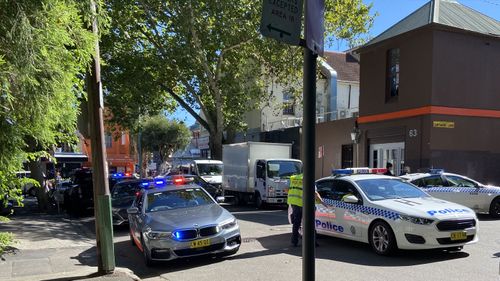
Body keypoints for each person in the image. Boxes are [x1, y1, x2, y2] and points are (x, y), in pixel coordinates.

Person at [287, 174, 327, 247]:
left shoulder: (293, 178)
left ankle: (294, 241)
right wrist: (322, 202)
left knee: (297, 223)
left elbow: (287, 189)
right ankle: (313, 242)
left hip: (294, 202)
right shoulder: (309, 177)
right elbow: (315, 193)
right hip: (305, 204)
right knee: (310, 223)